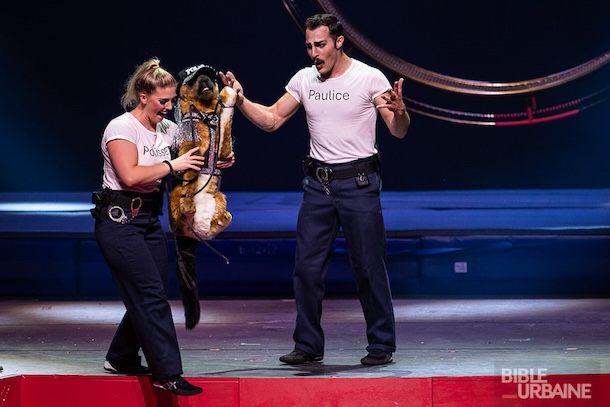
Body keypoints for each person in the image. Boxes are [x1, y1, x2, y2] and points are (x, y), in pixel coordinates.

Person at [219, 13, 410, 366]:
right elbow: (273, 119)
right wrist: (242, 101)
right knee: (306, 269)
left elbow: (398, 130)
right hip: (318, 187)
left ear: (339, 41)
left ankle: (381, 344)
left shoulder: (369, 77)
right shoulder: (304, 79)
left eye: (320, 45)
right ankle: (308, 345)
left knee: (368, 266)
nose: (313, 52)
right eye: (308, 46)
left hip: (359, 183)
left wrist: (400, 113)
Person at [92, 58, 233, 395]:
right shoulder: (121, 128)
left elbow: (199, 152)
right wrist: (172, 163)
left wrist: (219, 156)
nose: (170, 108)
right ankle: (167, 373)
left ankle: (122, 357)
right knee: (151, 295)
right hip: (119, 221)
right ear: (143, 96)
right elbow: (130, 175)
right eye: (163, 101)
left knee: (150, 290)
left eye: (173, 100)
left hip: (149, 222)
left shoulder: (170, 129)